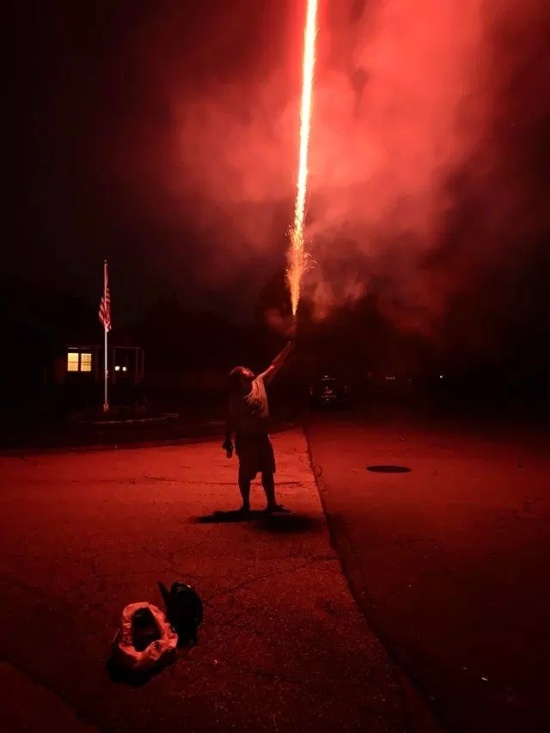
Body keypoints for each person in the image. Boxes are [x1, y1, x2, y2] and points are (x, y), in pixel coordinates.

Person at [223, 340, 295, 514]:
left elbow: (275, 364)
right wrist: (227, 440)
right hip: (246, 440)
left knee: (268, 471)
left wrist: (288, 348)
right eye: (245, 371)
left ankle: (271, 504)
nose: (249, 370)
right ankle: (246, 506)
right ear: (239, 379)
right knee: (246, 474)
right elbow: (231, 419)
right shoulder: (236, 397)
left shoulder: (260, 382)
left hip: (263, 437)